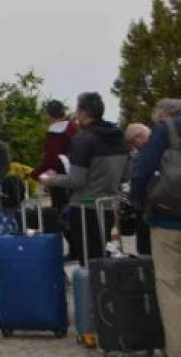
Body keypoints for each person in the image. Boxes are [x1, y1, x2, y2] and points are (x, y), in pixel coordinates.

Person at [40, 92, 126, 266]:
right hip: (108, 206)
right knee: (104, 258)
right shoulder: (118, 137)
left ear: (84, 112)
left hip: (85, 207)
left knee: (89, 262)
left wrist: (52, 180)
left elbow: (76, 180)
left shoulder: (84, 139)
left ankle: (91, 292)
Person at [131, 98, 181, 357]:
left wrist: (141, 204)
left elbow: (141, 171)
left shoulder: (164, 131)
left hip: (167, 221)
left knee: (171, 286)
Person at [32, 101, 79, 212]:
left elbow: (51, 159)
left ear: (49, 115)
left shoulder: (55, 132)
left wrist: (35, 173)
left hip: (60, 177)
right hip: (78, 173)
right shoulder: (74, 127)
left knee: (61, 212)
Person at [123, 123, 154, 255]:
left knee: (146, 250)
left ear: (138, 138)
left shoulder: (141, 158)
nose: (132, 147)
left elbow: (135, 183)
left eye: (132, 142)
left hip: (147, 209)